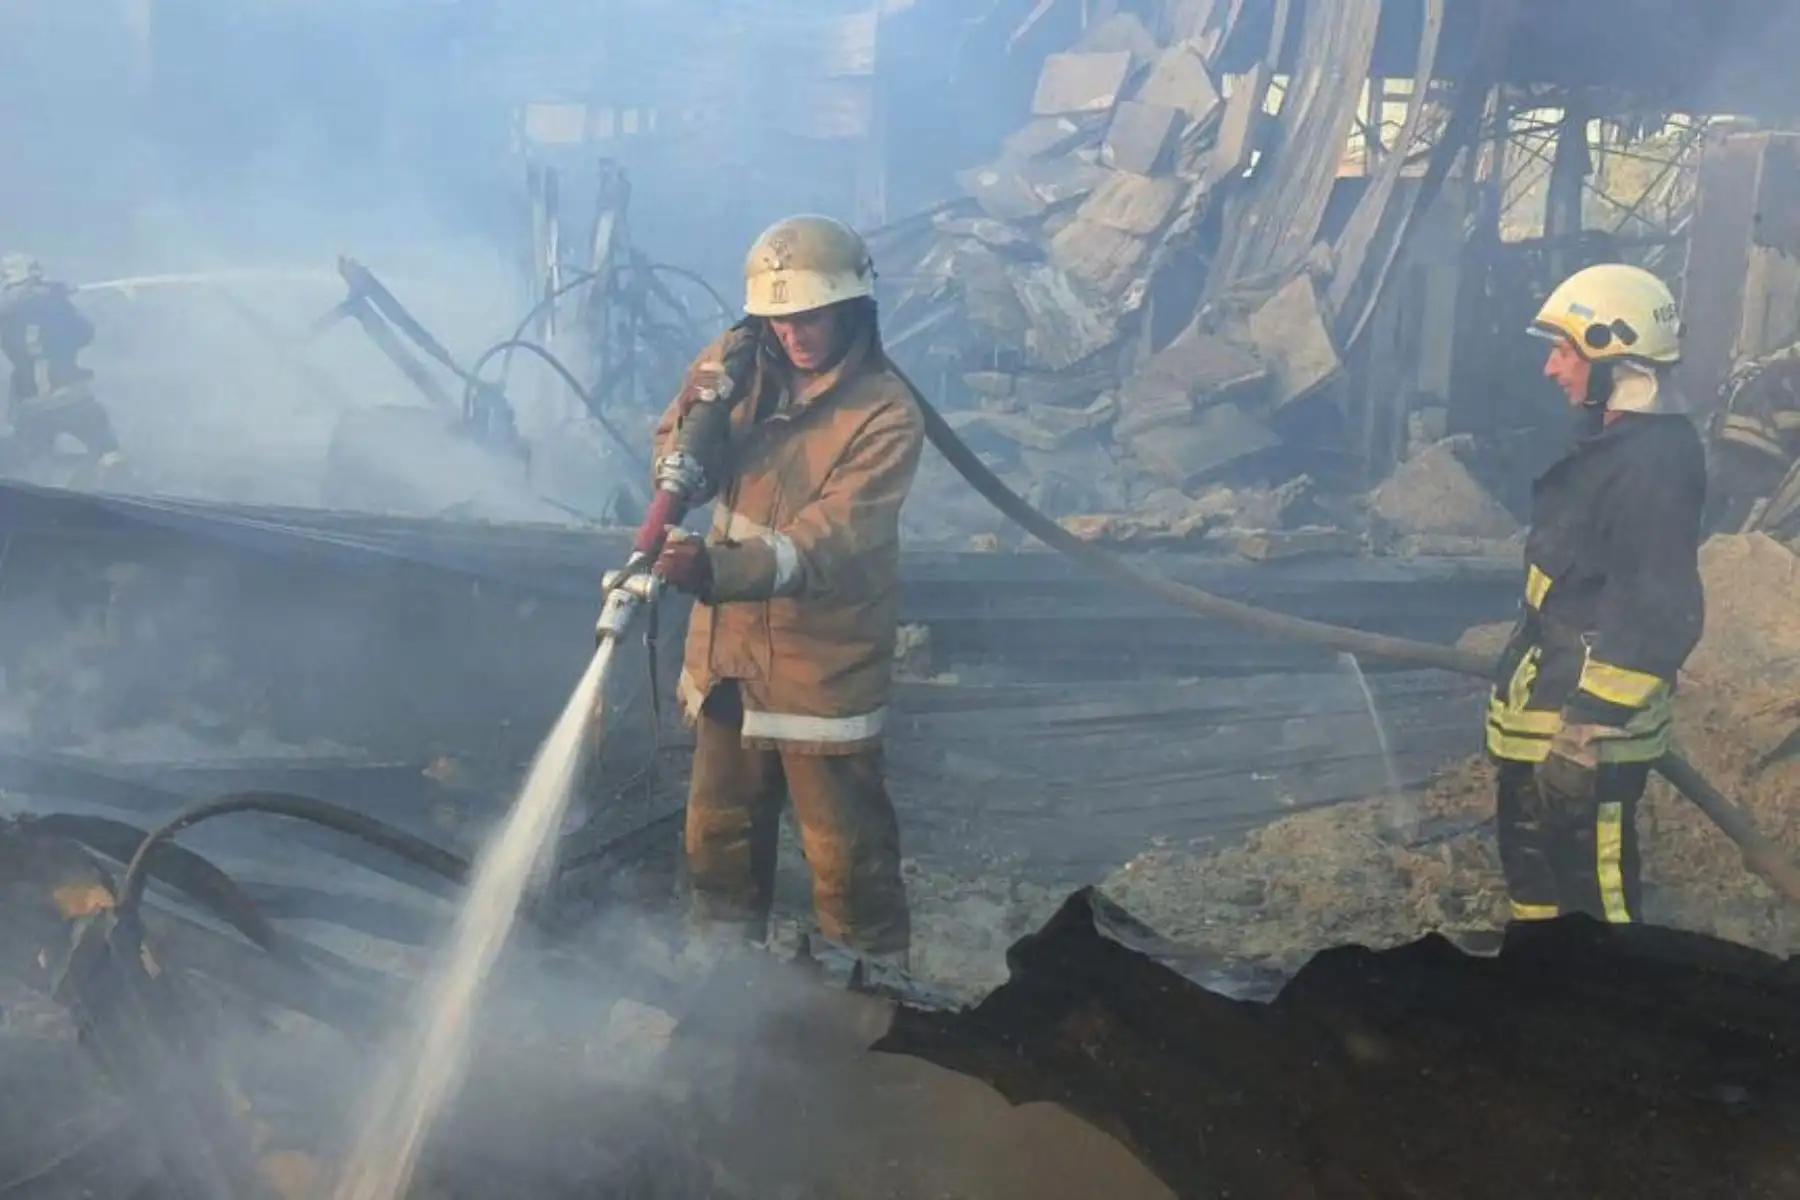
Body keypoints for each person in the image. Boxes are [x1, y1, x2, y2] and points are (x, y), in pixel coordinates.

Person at [649, 214, 923, 971]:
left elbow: (828, 539)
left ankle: (874, 1014)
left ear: (852, 311)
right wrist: (695, 432)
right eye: (779, 319)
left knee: (847, 863)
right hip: (730, 656)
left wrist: (715, 571)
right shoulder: (734, 372)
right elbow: (669, 459)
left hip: (819, 663)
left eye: (811, 316)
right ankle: (725, 1001)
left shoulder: (885, 415)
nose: (795, 335)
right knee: (718, 845)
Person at [1485, 262, 1706, 925]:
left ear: (1615, 354)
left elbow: (1658, 609)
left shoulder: (1654, 461)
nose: (1552, 369)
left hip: (1584, 734)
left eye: (1564, 351)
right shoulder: (1612, 443)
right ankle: (1545, 998)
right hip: (1544, 713)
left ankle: (1610, 1017)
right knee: (1537, 884)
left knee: (1595, 900)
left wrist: (1585, 733)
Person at [0, 253, 123, 481]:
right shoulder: (55, 310)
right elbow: (84, 333)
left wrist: (53, 298)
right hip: (69, 399)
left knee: (29, 460)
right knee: (108, 449)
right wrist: (60, 300)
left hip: (29, 405)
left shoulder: (6, 317)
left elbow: (16, 310)